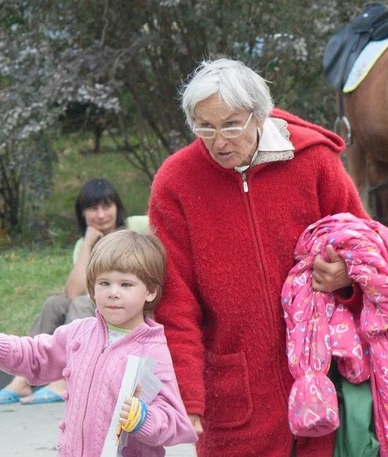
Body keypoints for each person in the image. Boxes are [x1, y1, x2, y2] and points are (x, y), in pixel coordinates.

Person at [148, 58, 369, 457]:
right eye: (204, 127)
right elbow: (174, 302)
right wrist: (187, 396)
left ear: (259, 116)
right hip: (234, 399)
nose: (218, 141)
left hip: (323, 387)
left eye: (231, 124)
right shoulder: (174, 183)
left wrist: (347, 277)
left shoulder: (315, 163)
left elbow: (370, 250)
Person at [0, 230, 198, 455]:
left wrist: (143, 419)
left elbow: (173, 421)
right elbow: (37, 354)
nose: (113, 292)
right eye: (104, 283)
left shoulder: (153, 351)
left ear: (150, 292)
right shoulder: (79, 333)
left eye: (126, 284)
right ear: (92, 288)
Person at [0, 178, 147, 405]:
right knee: (55, 303)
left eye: (106, 206)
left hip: (131, 302)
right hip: (102, 303)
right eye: (93, 208)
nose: (101, 215)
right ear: (83, 214)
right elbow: (73, 291)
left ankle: (63, 381)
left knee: (81, 304)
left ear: (117, 207)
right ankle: (23, 380)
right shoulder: (85, 243)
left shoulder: (137, 226)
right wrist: (88, 244)